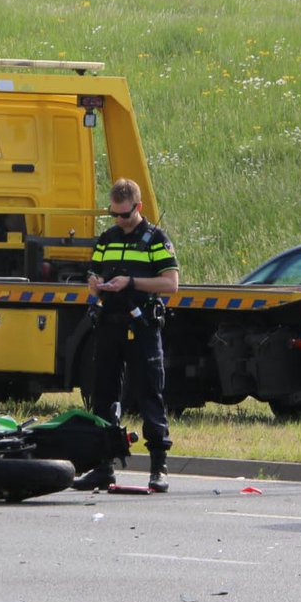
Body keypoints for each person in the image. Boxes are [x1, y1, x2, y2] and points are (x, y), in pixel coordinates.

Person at [85, 178, 179, 492]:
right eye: (114, 214)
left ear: (138, 208)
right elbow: (93, 273)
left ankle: (158, 467)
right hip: (110, 323)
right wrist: (96, 284)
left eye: (124, 215)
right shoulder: (106, 238)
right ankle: (103, 465)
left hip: (141, 325)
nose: (119, 221)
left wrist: (132, 283)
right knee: (103, 396)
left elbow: (170, 284)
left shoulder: (155, 239)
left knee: (150, 393)